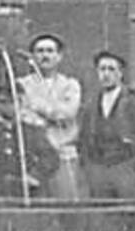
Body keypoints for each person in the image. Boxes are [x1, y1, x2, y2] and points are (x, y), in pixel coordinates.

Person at [16, 33, 84, 203]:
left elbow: (66, 114)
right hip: (34, 160)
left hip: (63, 157)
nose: (45, 56)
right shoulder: (22, 84)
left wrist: (36, 104)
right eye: (39, 51)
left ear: (59, 56)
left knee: (66, 207)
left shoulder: (70, 85)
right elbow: (23, 116)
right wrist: (51, 112)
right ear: (32, 56)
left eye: (50, 51)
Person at [78, 51, 135, 202]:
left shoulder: (134, 103)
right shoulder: (90, 105)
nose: (106, 74)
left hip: (126, 168)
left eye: (111, 69)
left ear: (120, 73)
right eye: (102, 69)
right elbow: (84, 138)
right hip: (99, 170)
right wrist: (89, 168)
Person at [0, 81, 58, 201]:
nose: (8, 106)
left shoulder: (31, 131)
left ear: (20, 104)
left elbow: (51, 158)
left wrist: (34, 176)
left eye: (13, 101)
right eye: (2, 102)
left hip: (25, 193)